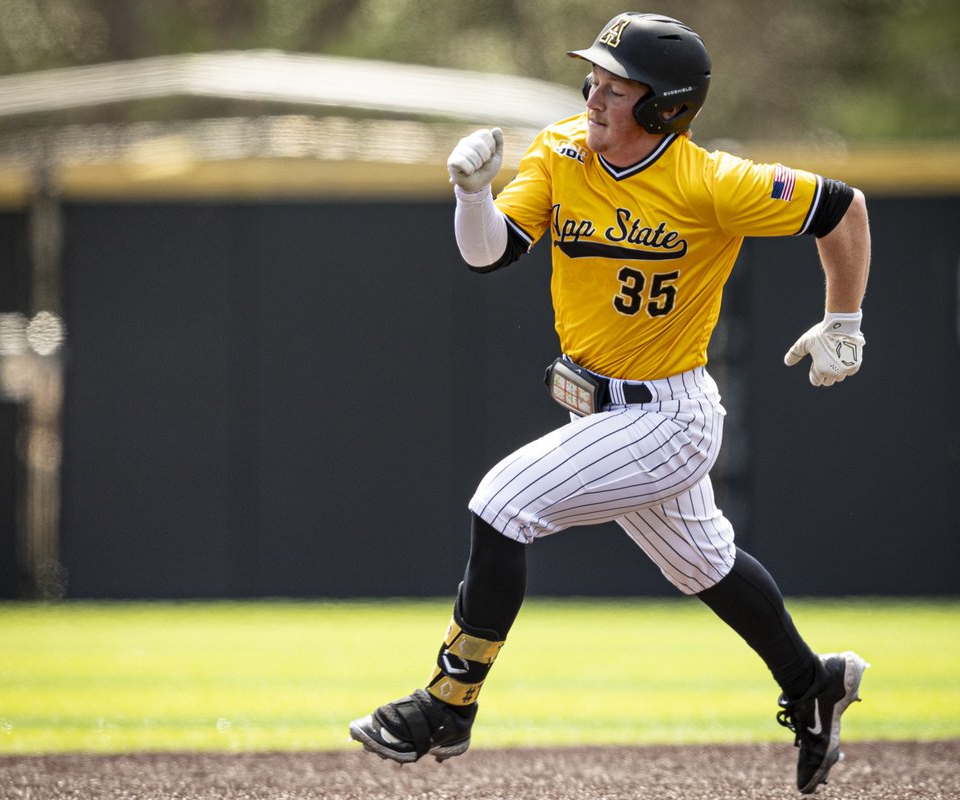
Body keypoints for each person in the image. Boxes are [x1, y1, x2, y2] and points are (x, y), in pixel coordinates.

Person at [350, 11, 871, 795]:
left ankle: (447, 705)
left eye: (615, 85)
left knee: (502, 502)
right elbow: (491, 254)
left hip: (668, 416)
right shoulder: (562, 148)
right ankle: (813, 684)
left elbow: (843, 207)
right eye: (592, 77)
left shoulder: (711, 181)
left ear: (664, 106)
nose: (593, 94)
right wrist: (471, 194)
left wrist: (844, 319)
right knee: (707, 565)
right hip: (600, 411)